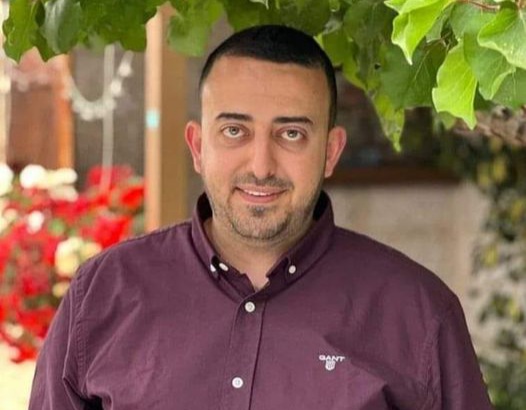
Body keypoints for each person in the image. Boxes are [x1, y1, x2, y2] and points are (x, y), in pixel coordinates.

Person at [29, 25, 494, 410]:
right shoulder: (102, 294)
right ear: (198, 146)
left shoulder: (418, 313)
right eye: (235, 130)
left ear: (331, 151)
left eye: (291, 134)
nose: (261, 165)